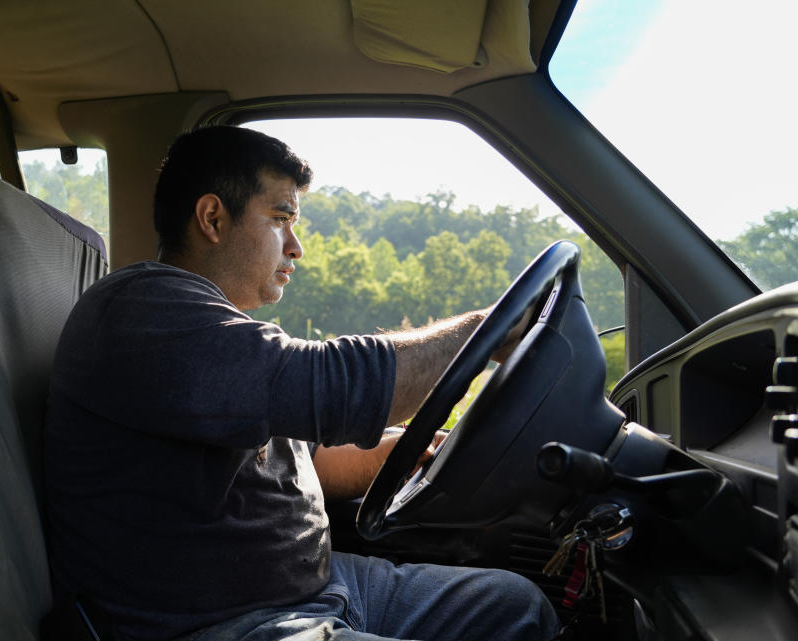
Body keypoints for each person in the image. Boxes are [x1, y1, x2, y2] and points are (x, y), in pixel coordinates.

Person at [44, 125, 560, 641]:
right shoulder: (143, 313)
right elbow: (335, 386)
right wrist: (482, 332)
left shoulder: (223, 333)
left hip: (322, 587)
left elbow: (308, 461)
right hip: (225, 624)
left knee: (518, 607)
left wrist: (407, 452)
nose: (297, 247)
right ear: (212, 218)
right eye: (281, 219)